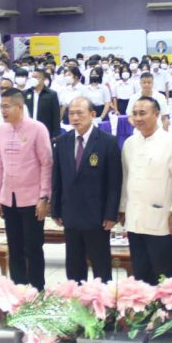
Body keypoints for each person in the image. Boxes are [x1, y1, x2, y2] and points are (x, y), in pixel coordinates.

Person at [51, 97, 122, 282]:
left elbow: (114, 182)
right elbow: (57, 179)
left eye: (79, 113)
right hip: (71, 214)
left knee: (101, 267)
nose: (75, 118)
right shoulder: (62, 141)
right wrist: (56, 209)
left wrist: (111, 214)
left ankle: (102, 299)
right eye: (71, 114)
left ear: (92, 114)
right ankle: (76, 298)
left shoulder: (107, 142)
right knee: (74, 267)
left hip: (97, 216)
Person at [120, 96, 172, 285]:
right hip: (135, 218)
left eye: (143, 113)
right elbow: (125, 178)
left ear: (156, 114)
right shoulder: (130, 143)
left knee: (165, 279)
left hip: (162, 220)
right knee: (141, 276)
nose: (138, 118)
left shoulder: (171, 144)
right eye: (135, 114)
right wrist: (122, 209)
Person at [0, 89, 53, 289]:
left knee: (33, 248)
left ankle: (37, 290)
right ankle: (18, 290)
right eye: (1, 106)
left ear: (19, 107)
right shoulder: (1, 130)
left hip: (32, 199)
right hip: (8, 198)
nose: (3, 111)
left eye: (6, 106)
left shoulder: (37, 128)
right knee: (14, 247)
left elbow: (47, 164)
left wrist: (44, 197)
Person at [24, 69, 62, 140]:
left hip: (45, 130)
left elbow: (56, 116)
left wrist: (56, 135)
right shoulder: (25, 93)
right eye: (32, 77)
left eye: (35, 77)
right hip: (28, 130)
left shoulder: (51, 94)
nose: (33, 79)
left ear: (42, 79)